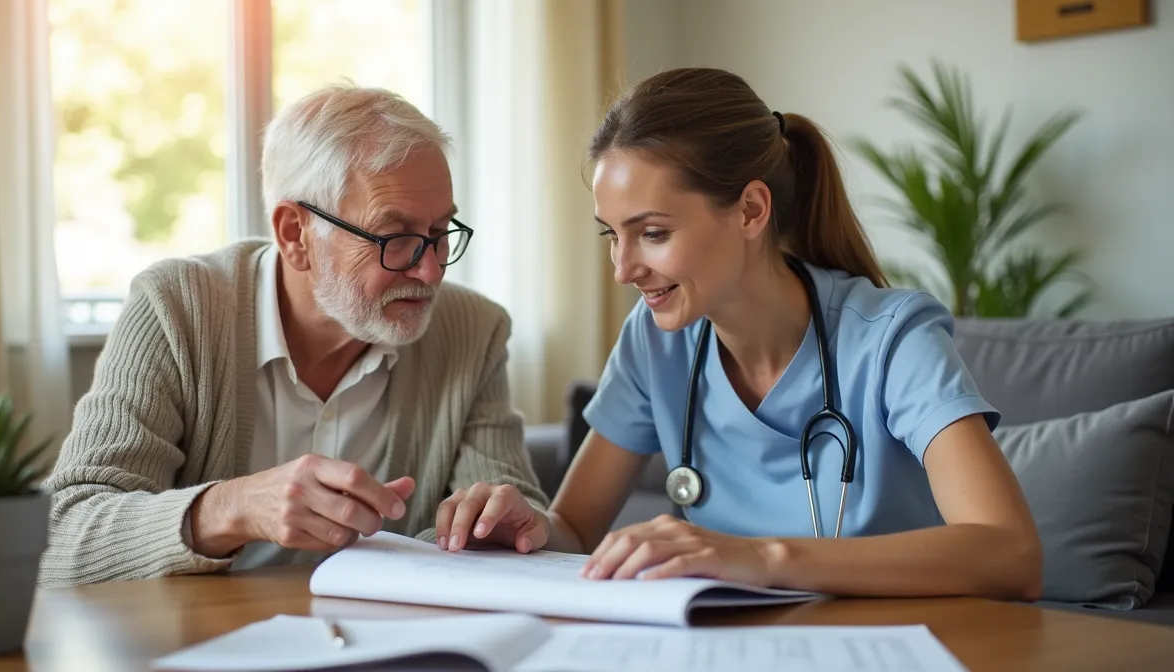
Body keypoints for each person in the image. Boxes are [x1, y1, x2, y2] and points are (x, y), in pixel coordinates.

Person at [432, 67, 1043, 602]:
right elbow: (575, 527)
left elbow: (1012, 556)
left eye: (653, 233)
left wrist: (762, 559)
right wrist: (527, 526)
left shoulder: (891, 339)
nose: (622, 269)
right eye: (610, 235)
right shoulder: (655, 341)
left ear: (751, 210)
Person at [39, 84, 549, 588]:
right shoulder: (177, 307)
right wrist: (231, 508)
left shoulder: (473, 330)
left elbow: (513, 521)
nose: (432, 272)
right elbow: (63, 534)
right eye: (397, 239)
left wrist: (504, 525)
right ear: (293, 234)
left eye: (439, 235)